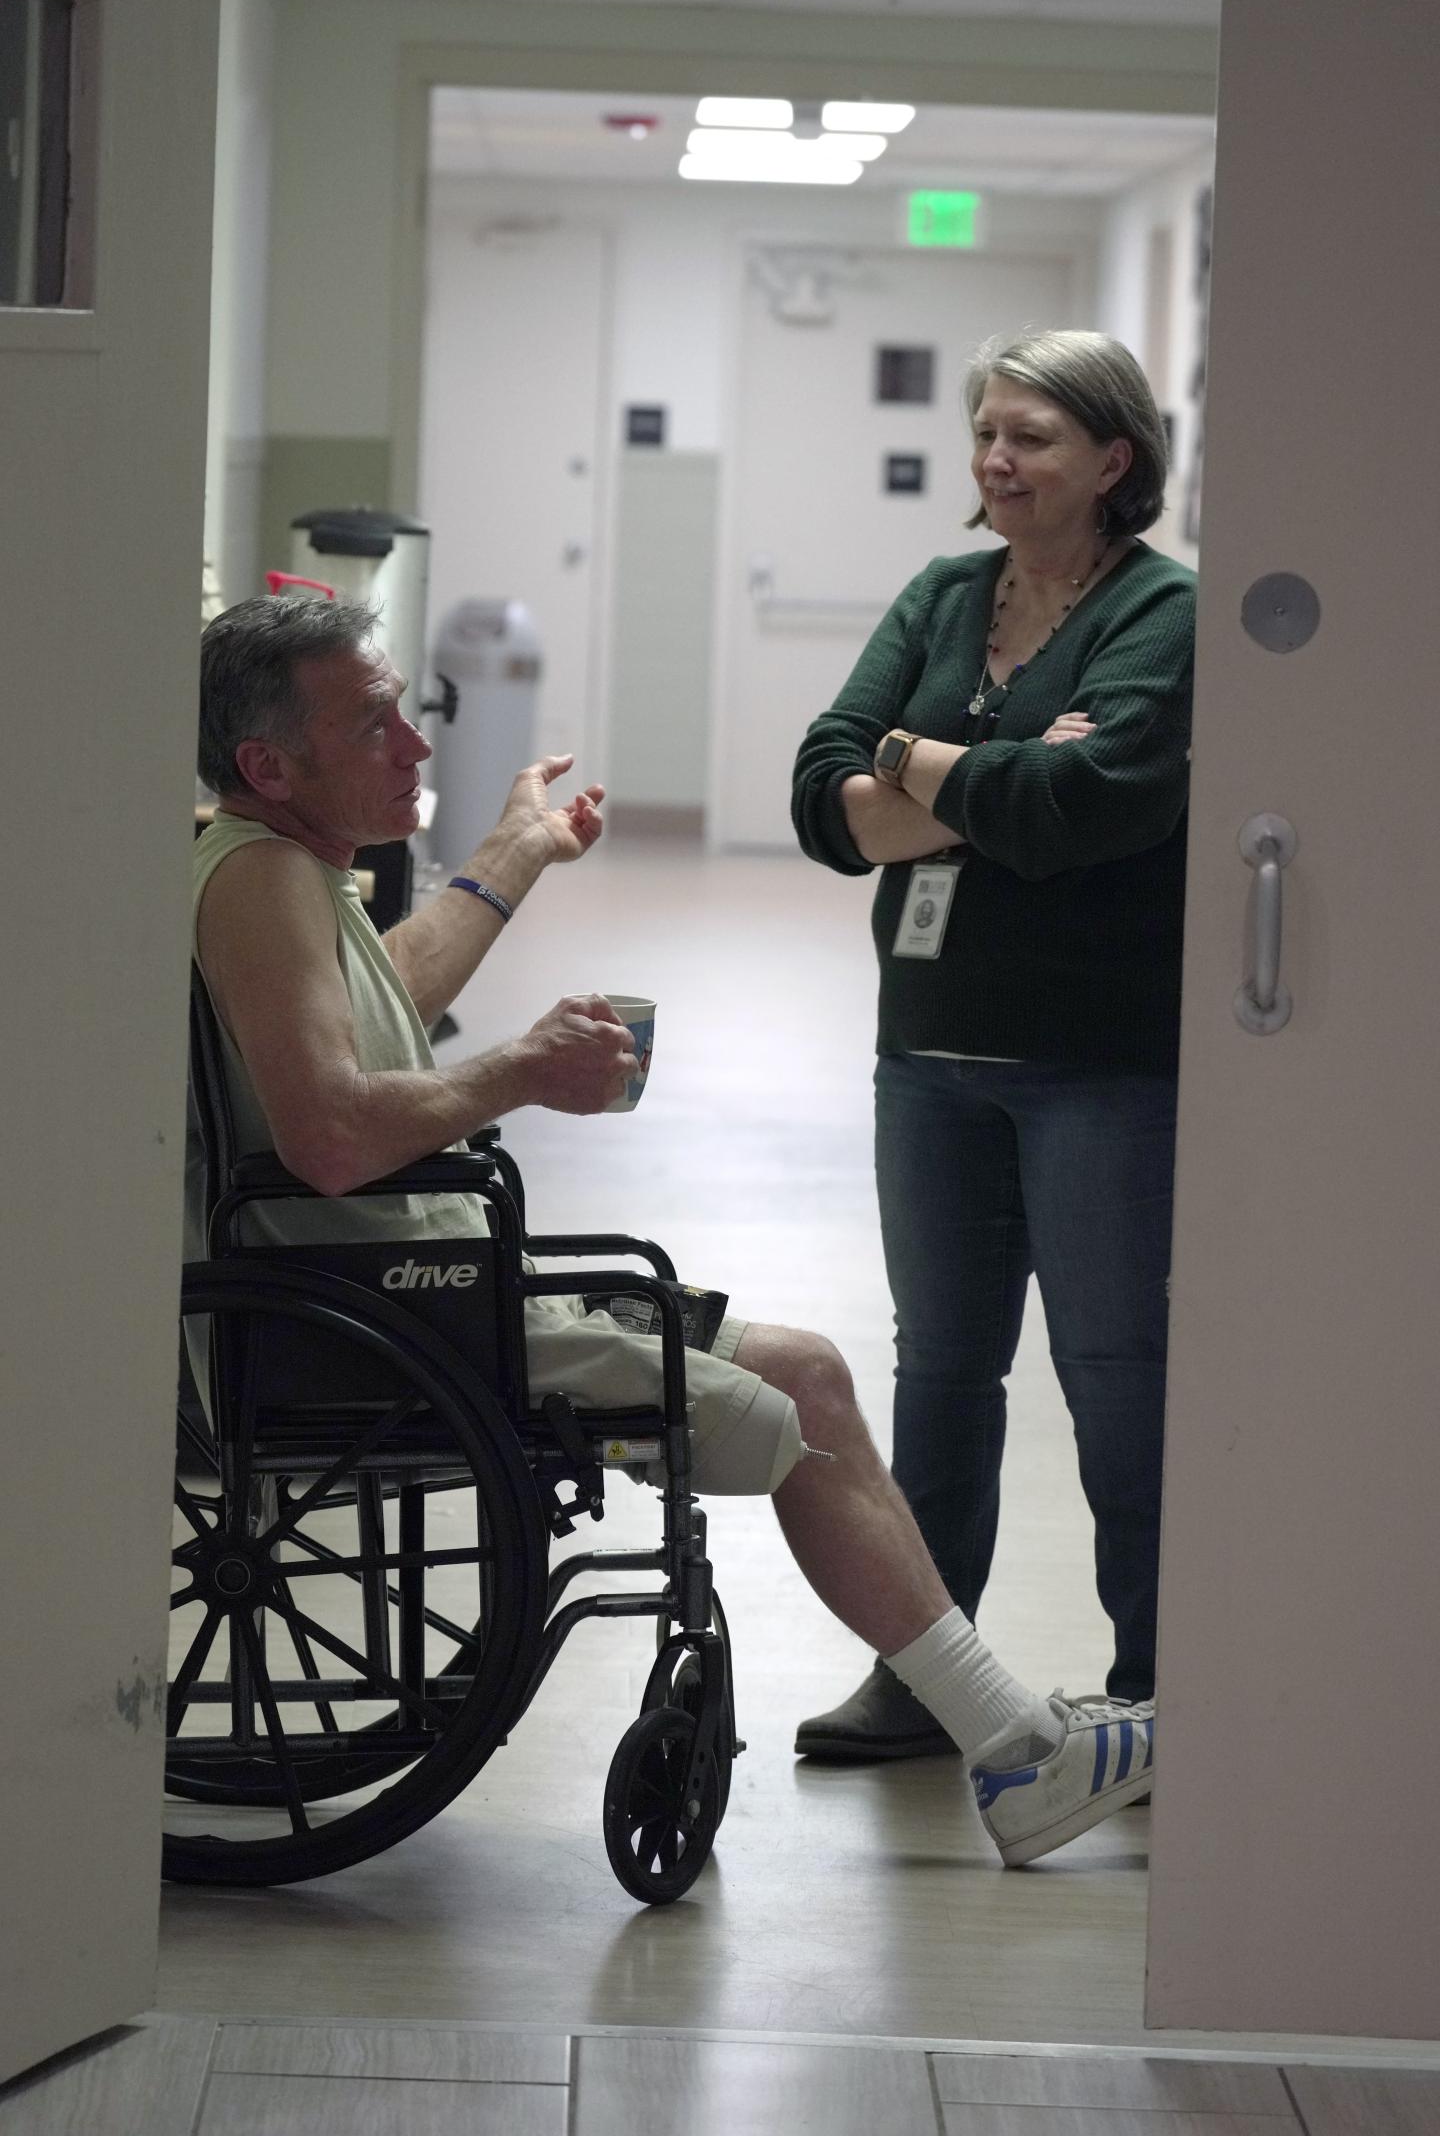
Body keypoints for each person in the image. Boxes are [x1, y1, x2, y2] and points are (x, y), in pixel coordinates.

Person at [185, 590, 1155, 1868]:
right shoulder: (259, 881)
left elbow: (391, 1004)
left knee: (809, 1366)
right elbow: (330, 1136)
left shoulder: (275, 868)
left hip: (410, 1283)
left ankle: (1008, 1738)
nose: (417, 743)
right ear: (270, 764)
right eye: (377, 725)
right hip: (380, 1314)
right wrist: (520, 1073)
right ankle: (1020, 1753)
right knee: (803, 1404)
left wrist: (515, 854)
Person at [790, 330, 1193, 1761]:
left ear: (1113, 459)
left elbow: (1102, 796)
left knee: (1118, 1378)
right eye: (986, 435)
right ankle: (928, 1681)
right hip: (933, 1051)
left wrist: (911, 761)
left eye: (1030, 437)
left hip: (1099, 1064)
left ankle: (1158, 1687)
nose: (997, 461)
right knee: (942, 1376)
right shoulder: (945, 595)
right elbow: (819, 791)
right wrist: (979, 780)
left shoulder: (1165, 611)